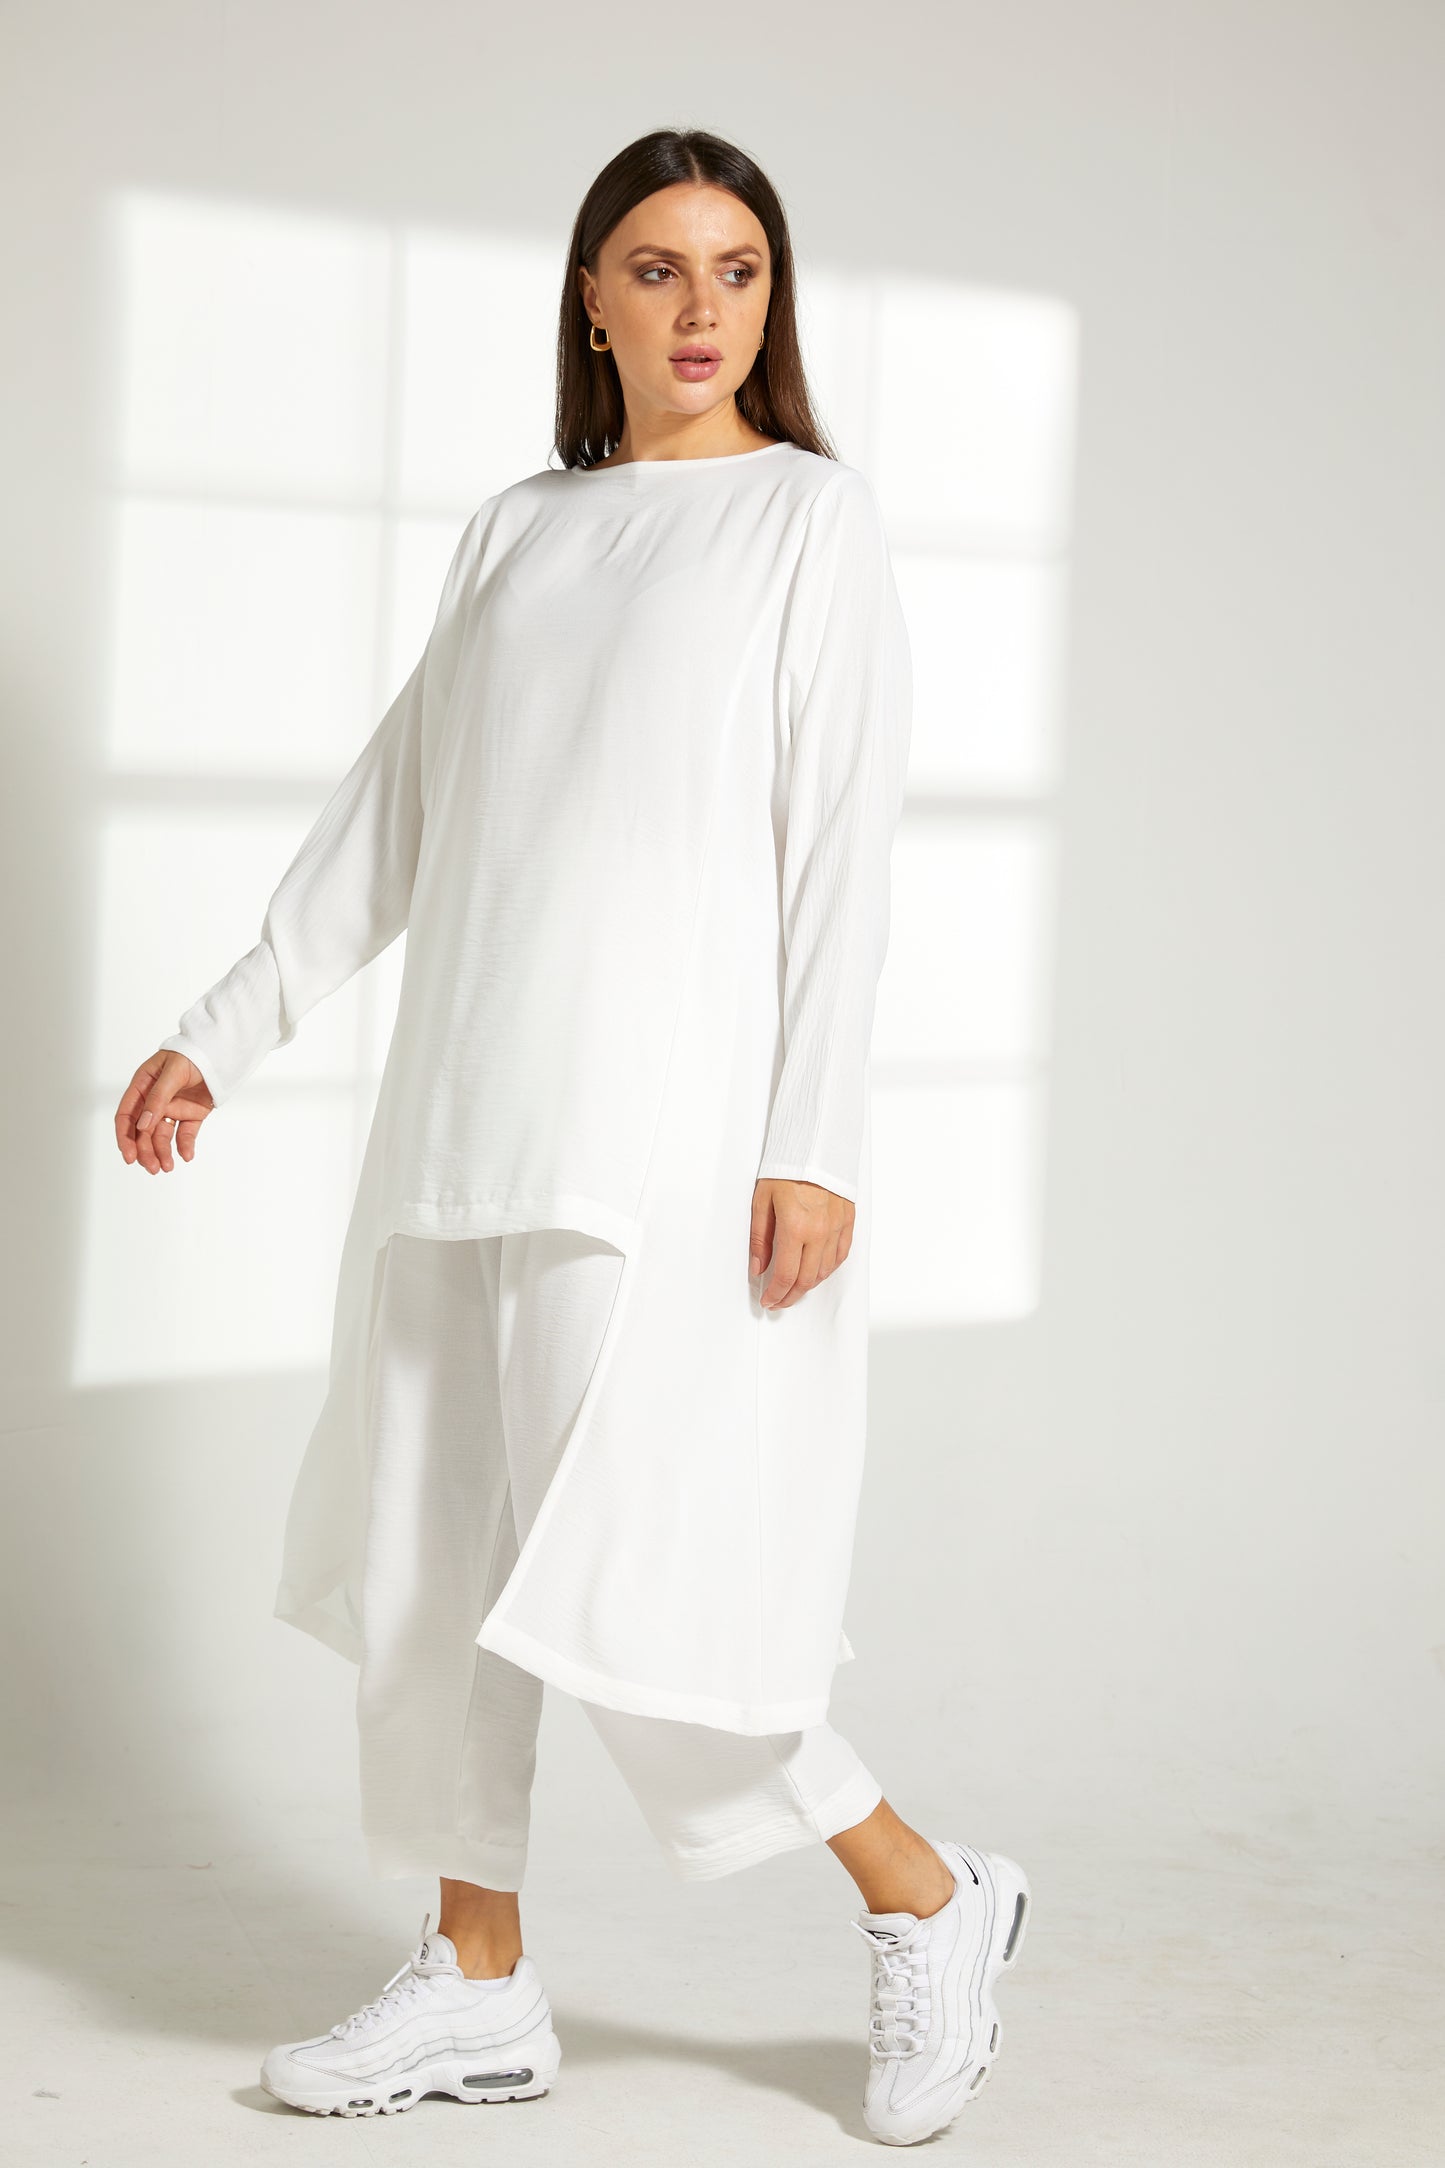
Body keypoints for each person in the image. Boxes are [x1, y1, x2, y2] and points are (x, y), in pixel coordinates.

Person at [115, 125, 1031, 2145]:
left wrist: (814, 1140)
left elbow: (840, 855)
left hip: (666, 1146)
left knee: (633, 1584)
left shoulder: (807, 520)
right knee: (435, 1580)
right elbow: (396, 809)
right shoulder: (520, 530)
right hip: (461, 1116)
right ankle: (475, 1980)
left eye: (738, 270)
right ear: (591, 298)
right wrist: (221, 1029)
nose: (702, 309)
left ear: (772, 303)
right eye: (658, 267)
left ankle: (927, 1889)